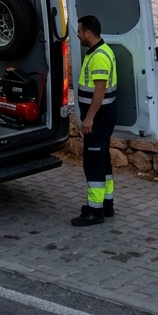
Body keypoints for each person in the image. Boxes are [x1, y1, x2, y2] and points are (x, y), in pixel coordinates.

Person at [71, 14, 117, 227]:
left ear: (88, 33)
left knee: (94, 164)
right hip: (104, 117)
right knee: (103, 161)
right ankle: (106, 205)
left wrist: (88, 118)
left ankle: (94, 212)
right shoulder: (102, 50)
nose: (78, 35)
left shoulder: (98, 56)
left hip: (98, 119)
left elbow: (100, 90)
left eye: (79, 31)